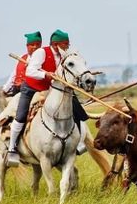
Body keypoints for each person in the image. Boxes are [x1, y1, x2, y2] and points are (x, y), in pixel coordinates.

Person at [6, 29, 89, 166]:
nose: (67, 47)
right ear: (56, 44)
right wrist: (46, 75)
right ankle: (12, 148)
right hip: (32, 88)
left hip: (53, 89)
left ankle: (78, 143)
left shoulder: (65, 56)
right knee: (21, 116)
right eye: (65, 44)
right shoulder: (41, 53)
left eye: (68, 44)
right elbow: (30, 71)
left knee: (78, 111)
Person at [2, 32, 42, 97]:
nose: (35, 47)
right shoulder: (22, 58)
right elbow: (13, 75)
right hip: (15, 90)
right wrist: (5, 89)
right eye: (32, 45)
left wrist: (24, 84)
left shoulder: (42, 59)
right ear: (27, 46)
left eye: (37, 44)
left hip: (30, 91)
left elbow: (40, 78)